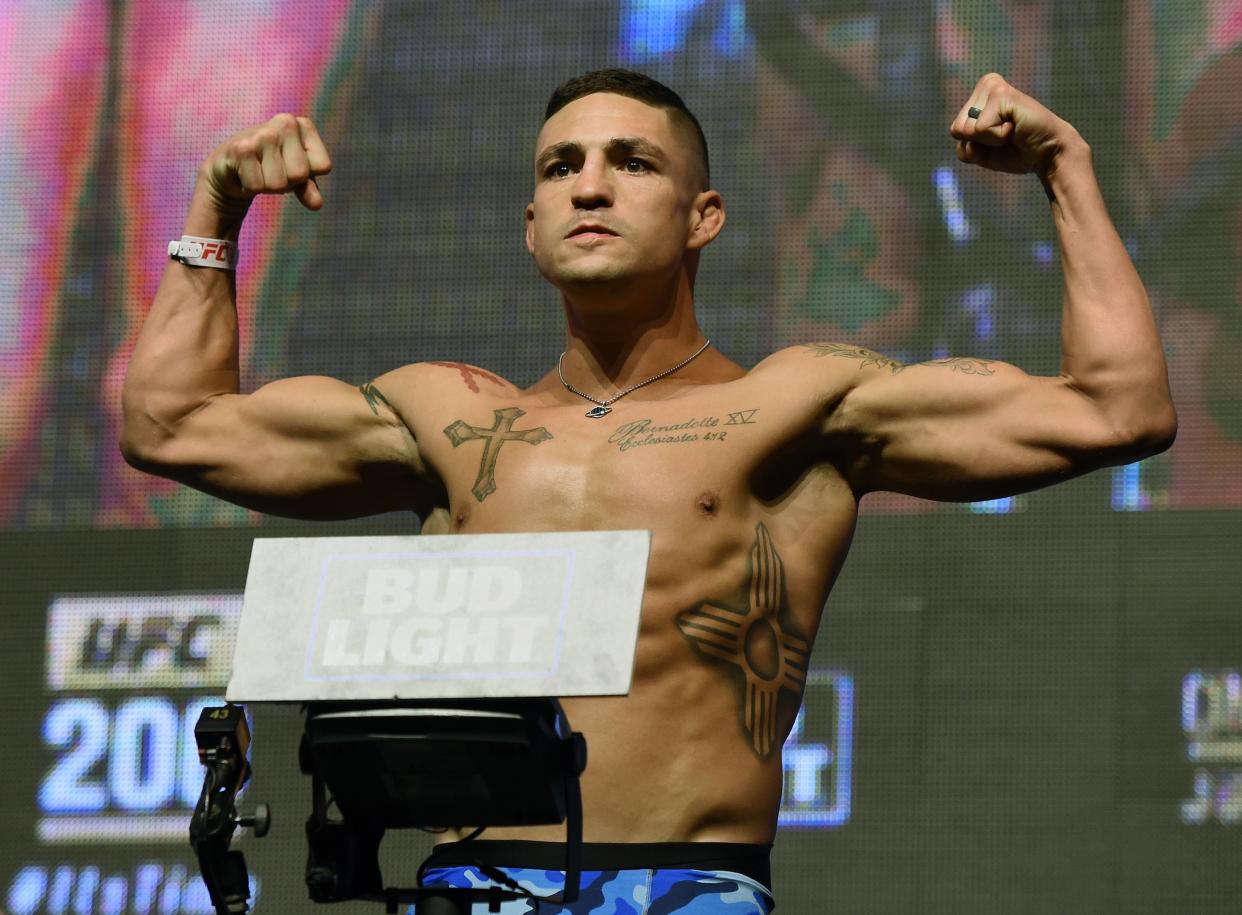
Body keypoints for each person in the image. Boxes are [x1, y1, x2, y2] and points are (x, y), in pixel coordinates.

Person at [121, 68, 1176, 913]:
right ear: (528, 225)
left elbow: (1116, 409)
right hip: (473, 888)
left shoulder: (799, 407)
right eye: (561, 166)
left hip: (688, 890)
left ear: (703, 215)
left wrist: (1065, 166)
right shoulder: (446, 422)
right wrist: (216, 205)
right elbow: (169, 424)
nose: (590, 185)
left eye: (631, 162)